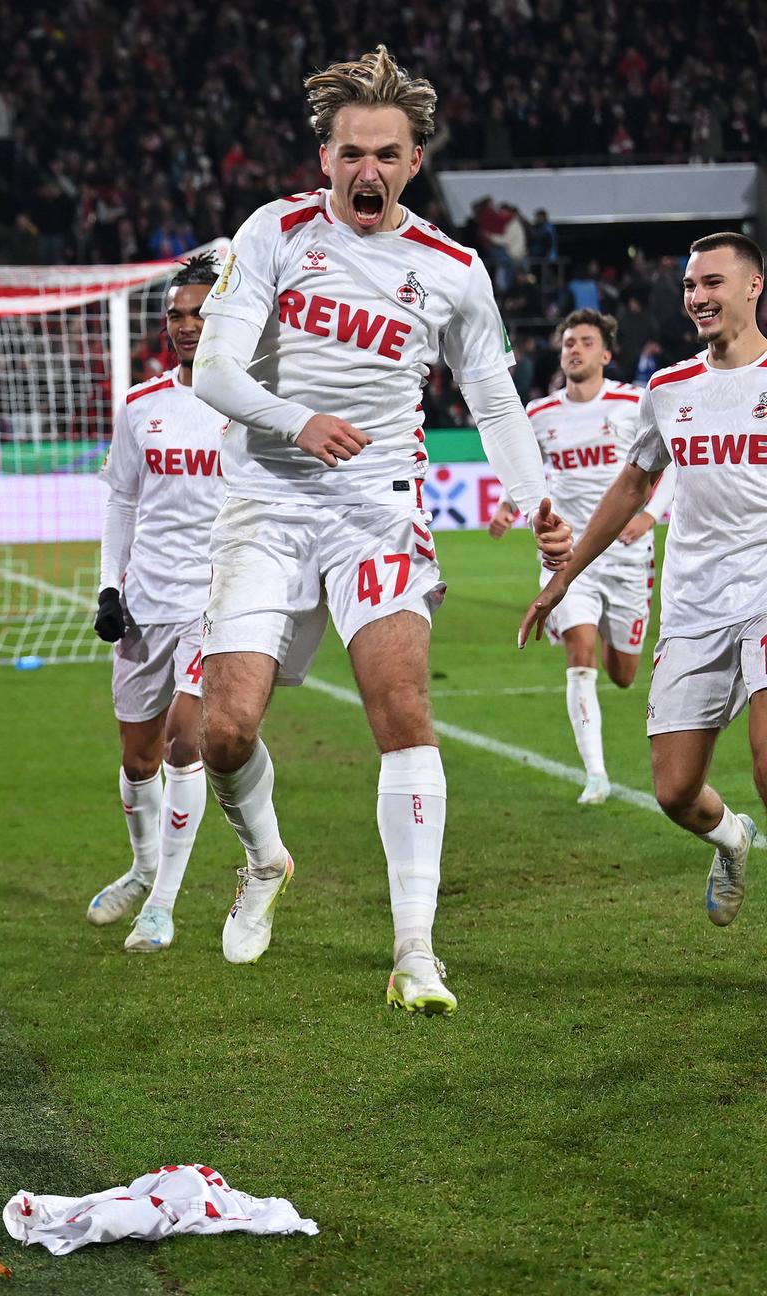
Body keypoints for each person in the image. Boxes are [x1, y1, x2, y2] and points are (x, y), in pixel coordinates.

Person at [191, 46, 571, 1014]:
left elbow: (491, 394)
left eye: (388, 154)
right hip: (268, 502)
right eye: (351, 151)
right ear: (324, 157)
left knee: (402, 712)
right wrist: (295, 420)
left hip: (379, 509)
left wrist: (534, 503)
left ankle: (416, 952)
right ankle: (265, 857)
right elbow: (215, 373)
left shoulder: (451, 269)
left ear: (413, 162)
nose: (369, 169)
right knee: (223, 732)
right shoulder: (273, 232)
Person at [520, 232, 767, 926]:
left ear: (753, 287)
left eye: (713, 283)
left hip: (764, 593)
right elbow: (634, 483)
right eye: (691, 286)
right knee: (675, 790)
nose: (698, 297)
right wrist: (562, 578)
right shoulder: (669, 389)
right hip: (694, 602)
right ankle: (730, 838)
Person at [87, 254, 228, 952]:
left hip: (217, 602)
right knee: (137, 759)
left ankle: (163, 906)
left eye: (198, 312)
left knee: (182, 743)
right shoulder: (142, 407)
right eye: (176, 314)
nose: (185, 325)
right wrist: (109, 586)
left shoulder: (249, 402)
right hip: (146, 601)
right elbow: (120, 499)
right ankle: (144, 869)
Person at [489, 310, 675, 804]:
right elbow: (526, 470)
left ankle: (602, 750)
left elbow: (673, 463)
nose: (574, 349)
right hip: (569, 555)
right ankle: (596, 775)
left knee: (624, 674)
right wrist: (510, 507)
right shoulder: (540, 413)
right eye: (568, 342)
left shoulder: (635, 403)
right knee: (580, 650)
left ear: (606, 354)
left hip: (629, 556)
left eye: (586, 342)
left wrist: (650, 514)